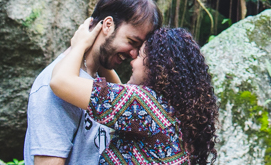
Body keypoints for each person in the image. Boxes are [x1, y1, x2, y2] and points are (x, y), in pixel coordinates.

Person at [24, 0, 162, 165]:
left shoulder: (94, 81)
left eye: (140, 48)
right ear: (108, 25)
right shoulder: (55, 86)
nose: (134, 54)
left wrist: (85, 48)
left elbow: (120, 94)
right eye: (132, 41)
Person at [49, 19, 218, 165]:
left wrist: (80, 44)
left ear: (156, 66)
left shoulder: (145, 105)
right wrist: (103, 52)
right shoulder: (170, 112)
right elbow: (118, 97)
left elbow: (60, 82)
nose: (132, 61)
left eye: (139, 56)